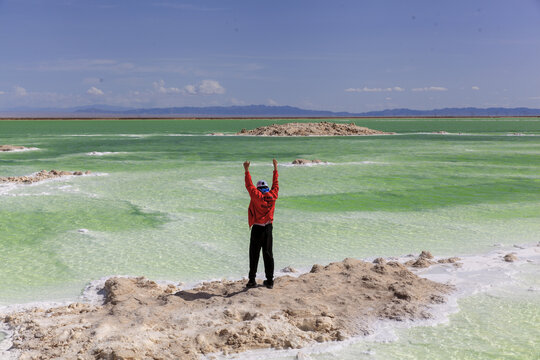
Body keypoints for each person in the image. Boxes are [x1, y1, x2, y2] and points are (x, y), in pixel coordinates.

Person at [243, 159, 279, 289]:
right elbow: (276, 184)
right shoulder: (273, 195)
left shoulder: (256, 196)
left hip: (257, 228)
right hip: (268, 228)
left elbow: (249, 185)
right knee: (268, 254)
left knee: (254, 254)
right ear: (267, 188)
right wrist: (275, 168)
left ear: (258, 188)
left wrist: (246, 170)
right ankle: (269, 281)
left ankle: (252, 280)